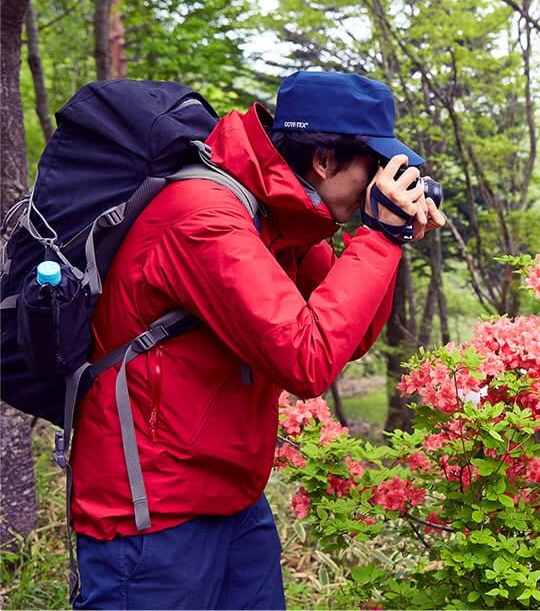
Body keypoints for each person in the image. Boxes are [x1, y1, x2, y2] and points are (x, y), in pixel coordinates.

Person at [68, 72, 444, 609]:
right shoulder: (205, 217)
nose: (380, 181)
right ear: (323, 160)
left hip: (231, 496)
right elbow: (305, 361)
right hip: (153, 508)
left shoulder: (282, 219)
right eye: (374, 166)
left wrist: (388, 239)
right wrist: (377, 239)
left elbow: (348, 341)